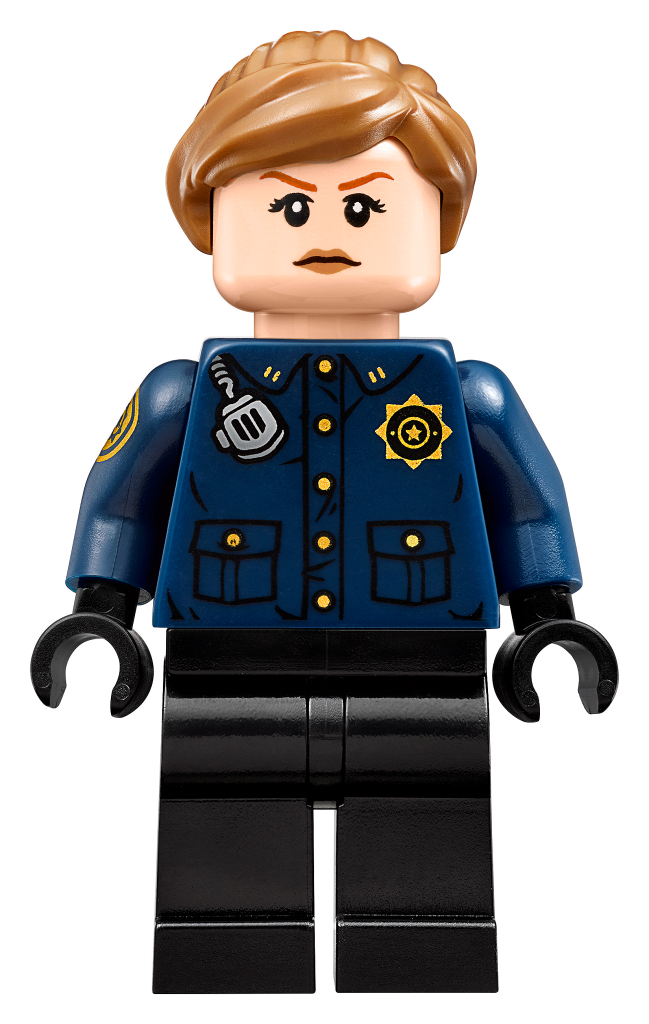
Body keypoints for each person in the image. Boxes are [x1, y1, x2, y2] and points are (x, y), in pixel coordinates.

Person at [31, 30, 617, 994]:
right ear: (212, 223)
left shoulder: (468, 396)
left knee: (424, 805)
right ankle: (228, 948)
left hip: (424, 653)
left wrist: (546, 617)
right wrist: (100, 610)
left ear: (439, 224)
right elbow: (120, 501)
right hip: (226, 652)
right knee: (222, 808)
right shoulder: (187, 393)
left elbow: (527, 509)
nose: (326, 231)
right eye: (289, 206)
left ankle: (421, 947)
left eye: (366, 206)